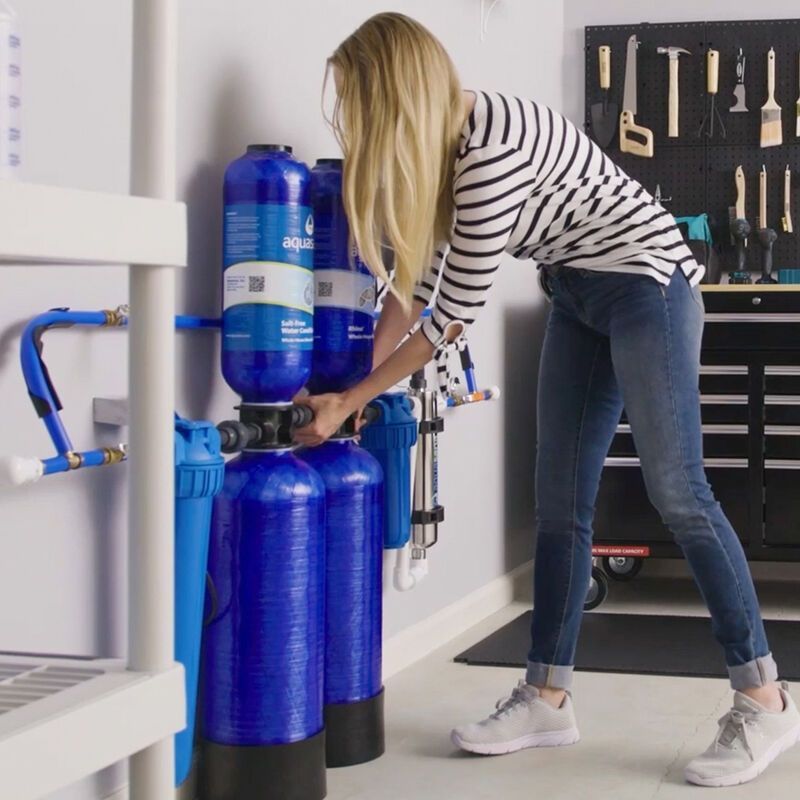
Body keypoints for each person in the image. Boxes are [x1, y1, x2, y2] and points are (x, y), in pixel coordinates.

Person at [293, 12, 800, 787]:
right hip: (576, 294)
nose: (358, 123)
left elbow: (446, 322)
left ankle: (764, 697)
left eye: (362, 104)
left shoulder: (490, 152)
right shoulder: (444, 156)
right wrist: (348, 386)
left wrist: (351, 397)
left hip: (646, 286)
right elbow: (413, 285)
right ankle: (546, 694)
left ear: (396, 93)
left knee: (678, 490)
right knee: (561, 501)